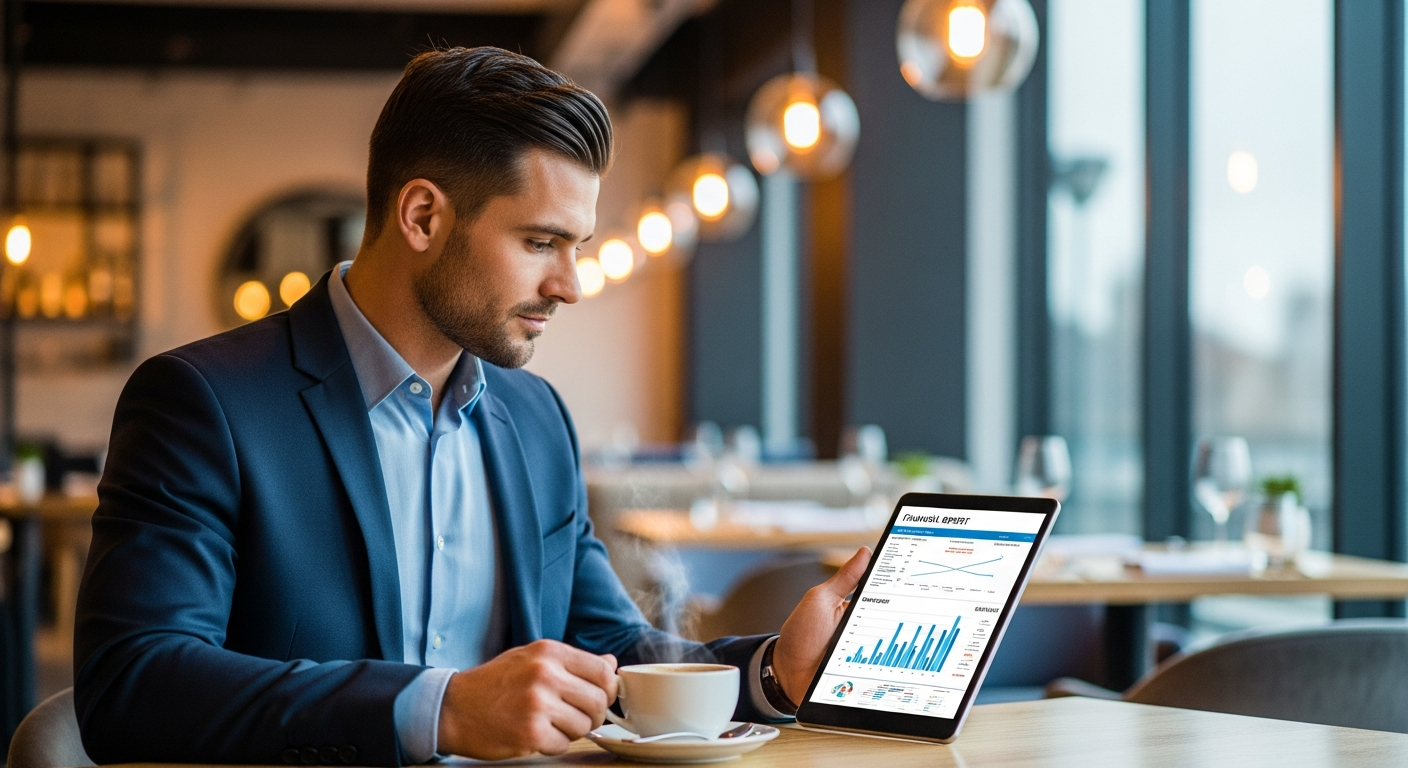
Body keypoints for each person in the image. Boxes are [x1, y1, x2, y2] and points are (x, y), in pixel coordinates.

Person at [73, 46, 872, 766]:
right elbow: (133, 684)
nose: (569, 286)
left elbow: (609, 650)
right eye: (540, 242)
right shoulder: (204, 401)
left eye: (577, 248)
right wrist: (442, 709)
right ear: (423, 217)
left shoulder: (536, 418)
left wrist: (775, 671)